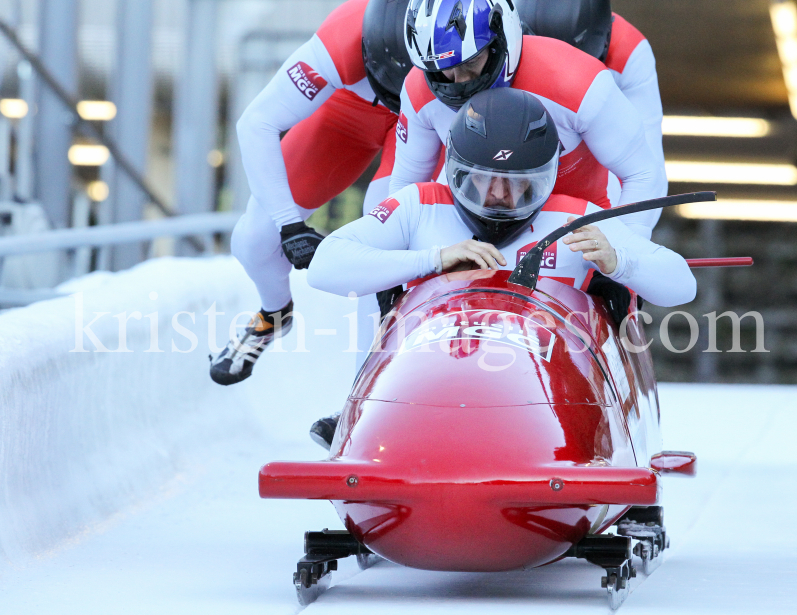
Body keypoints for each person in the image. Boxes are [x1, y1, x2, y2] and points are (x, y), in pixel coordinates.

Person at [307, 88, 695, 447]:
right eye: (484, 179)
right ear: (458, 170)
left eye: (518, 184)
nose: (498, 196)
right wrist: (432, 260)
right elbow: (325, 265)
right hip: (425, 386)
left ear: (546, 176)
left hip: (548, 401)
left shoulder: (576, 220)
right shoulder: (418, 206)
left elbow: (681, 285)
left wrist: (619, 261)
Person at [210, 0, 413, 385]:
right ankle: (274, 312)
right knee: (253, 240)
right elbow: (256, 122)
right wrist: (289, 226)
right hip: (348, 114)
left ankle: (363, 391)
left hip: (423, 113)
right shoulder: (344, 37)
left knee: (383, 238)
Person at [390, 0, 667, 240]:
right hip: (471, 227)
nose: (460, 83)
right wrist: (397, 254)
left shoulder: (577, 82)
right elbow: (405, 187)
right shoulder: (418, 91)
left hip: (578, 228)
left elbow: (643, 173)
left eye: (469, 64)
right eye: (445, 70)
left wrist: (621, 254)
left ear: (501, 40)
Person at [516, 0, 665, 205]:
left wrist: (623, 234)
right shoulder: (504, 35)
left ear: (604, 41)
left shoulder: (630, 51)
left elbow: (647, 170)